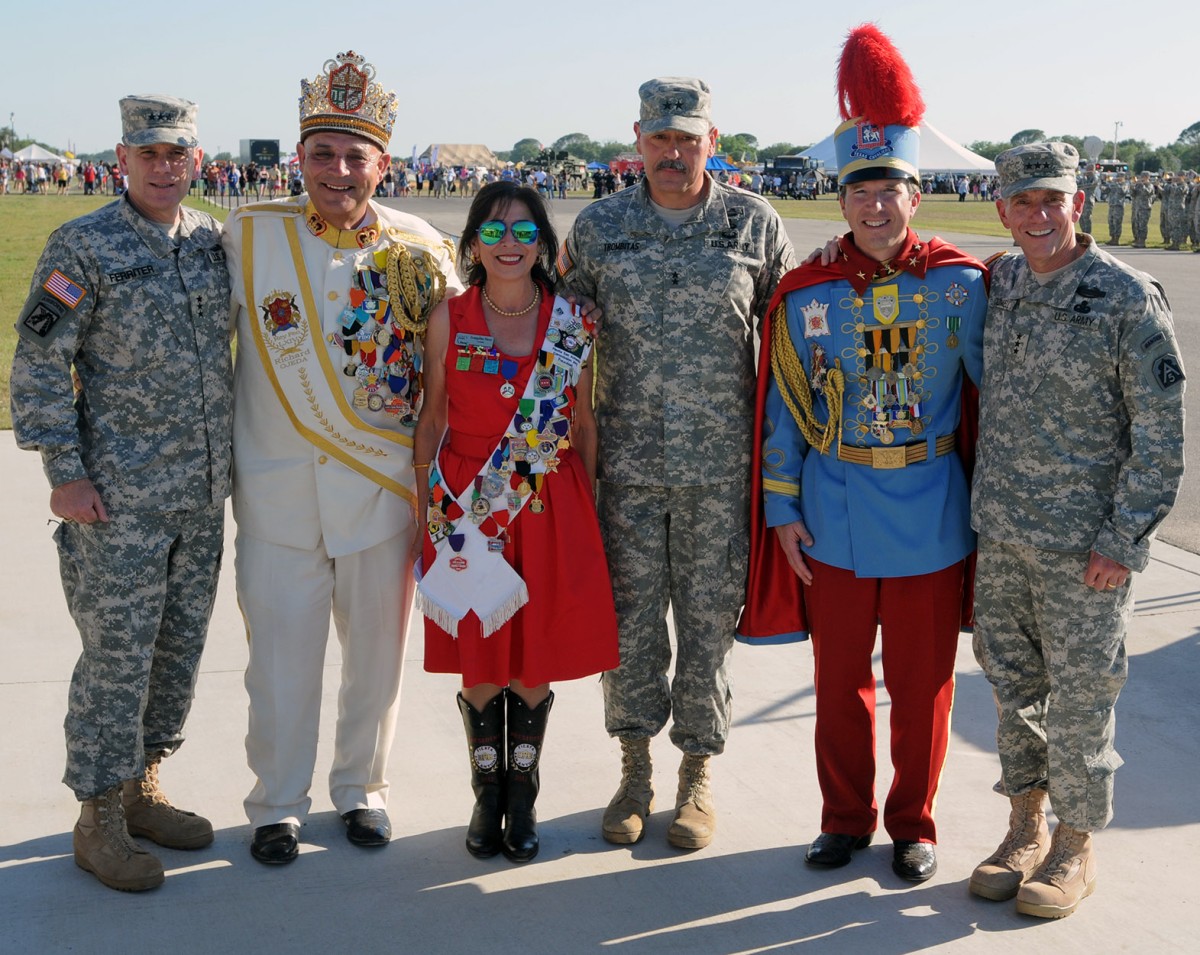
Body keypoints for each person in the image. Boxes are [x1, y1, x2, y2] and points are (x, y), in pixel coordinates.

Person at [741, 25, 988, 883]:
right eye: (859, 192)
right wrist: (781, 510)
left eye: (890, 189)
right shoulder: (805, 293)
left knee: (922, 688)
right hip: (835, 512)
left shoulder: (965, 286)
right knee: (839, 682)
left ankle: (913, 821)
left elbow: (1003, 400)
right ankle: (843, 816)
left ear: (917, 194)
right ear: (840, 201)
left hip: (929, 510)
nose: (874, 207)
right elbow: (781, 408)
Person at [222, 50, 463, 866]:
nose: (337, 170)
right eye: (322, 152)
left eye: (355, 154)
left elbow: (453, 373)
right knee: (279, 667)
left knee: (373, 662)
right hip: (277, 493)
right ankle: (277, 803)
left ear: (383, 162)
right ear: (299, 158)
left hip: (379, 493)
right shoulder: (248, 236)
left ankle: (363, 788)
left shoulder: (423, 248)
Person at [558, 76, 795, 850]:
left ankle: (697, 774)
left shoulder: (754, 224)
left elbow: (794, 345)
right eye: (658, 137)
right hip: (623, 471)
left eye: (686, 137)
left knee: (705, 632)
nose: (671, 150)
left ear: (711, 141)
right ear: (637, 138)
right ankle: (633, 769)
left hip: (720, 475)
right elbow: (559, 343)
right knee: (628, 631)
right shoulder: (599, 228)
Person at [9, 95, 231, 892]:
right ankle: (96, 813)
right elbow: (39, 360)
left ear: (196, 160)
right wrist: (63, 470)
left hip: (202, 495)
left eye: (178, 154)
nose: (165, 166)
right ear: (122, 158)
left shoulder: (211, 240)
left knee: (177, 652)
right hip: (119, 500)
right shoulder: (85, 245)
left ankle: (142, 785)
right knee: (116, 659)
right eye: (150, 154)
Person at [968, 141, 1185, 918]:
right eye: (1022, 201)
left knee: (1083, 703)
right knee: (1014, 693)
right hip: (1003, 539)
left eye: (1050, 199)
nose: (1037, 214)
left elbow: (1162, 437)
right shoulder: (1002, 282)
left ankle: (1075, 843)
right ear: (1002, 209)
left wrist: (1124, 542)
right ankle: (1023, 827)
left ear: (1077, 203)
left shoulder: (1126, 296)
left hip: (1085, 550)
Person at [413, 182, 618, 863]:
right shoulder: (448, 315)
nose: (509, 244)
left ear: (543, 246)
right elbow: (432, 419)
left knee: (533, 653)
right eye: (495, 232)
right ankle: (487, 793)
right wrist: (432, 515)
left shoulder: (571, 322)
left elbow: (582, 423)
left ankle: (524, 793)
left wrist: (579, 513)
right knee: (480, 653)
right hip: (469, 505)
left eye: (525, 232)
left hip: (547, 500)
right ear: (472, 243)